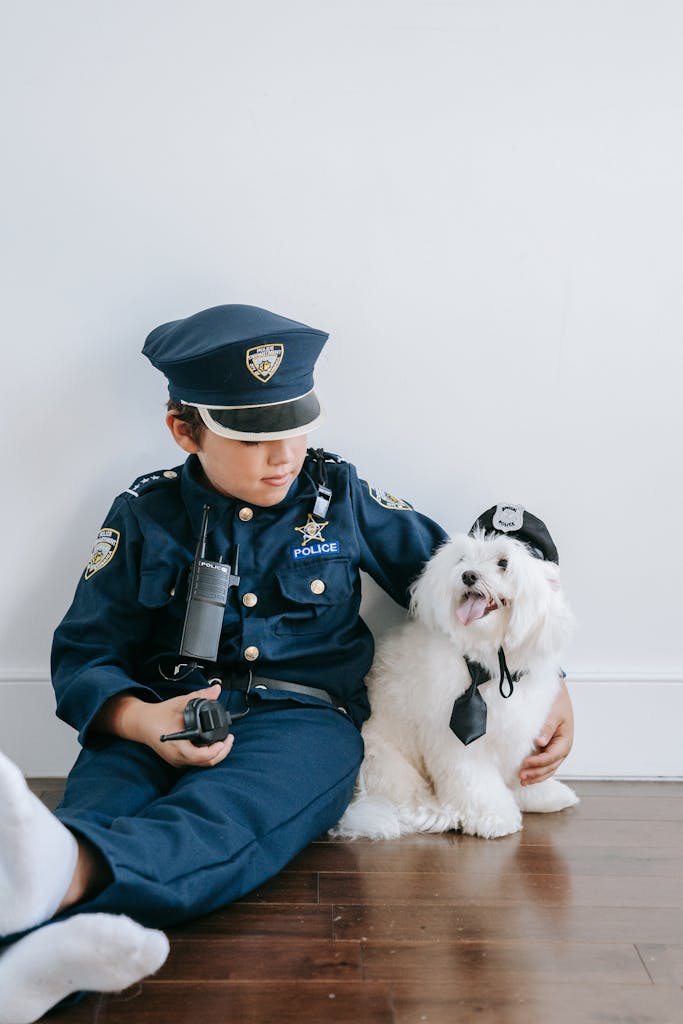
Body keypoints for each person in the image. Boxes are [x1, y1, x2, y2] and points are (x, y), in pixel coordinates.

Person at [0, 304, 574, 1022]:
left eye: (294, 427)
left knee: (222, 821)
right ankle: (31, 968)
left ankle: (61, 889)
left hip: (302, 722)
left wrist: (550, 685)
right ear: (185, 430)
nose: (283, 455)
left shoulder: (342, 498)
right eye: (251, 436)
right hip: (157, 711)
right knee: (96, 808)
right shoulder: (144, 512)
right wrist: (142, 721)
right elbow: (86, 651)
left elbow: (461, 582)